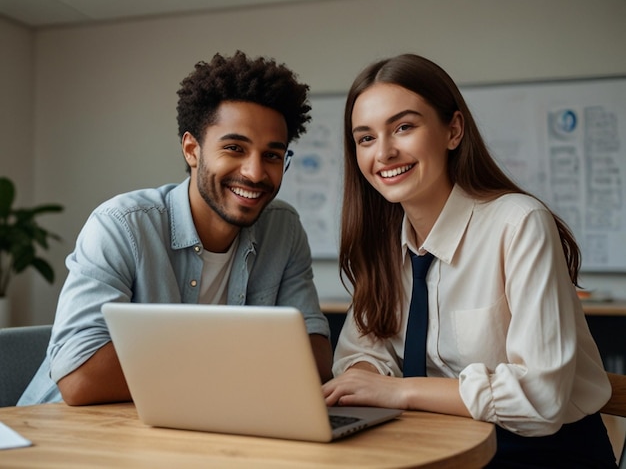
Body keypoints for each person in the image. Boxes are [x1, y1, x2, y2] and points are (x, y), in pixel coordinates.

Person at [322, 54, 617, 468]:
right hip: (436, 443)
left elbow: (541, 398)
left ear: (453, 130)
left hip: (544, 454)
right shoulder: (383, 245)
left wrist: (401, 391)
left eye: (403, 127)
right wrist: (369, 373)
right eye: (365, 138)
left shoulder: (519, 223)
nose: (384, 152)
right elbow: (357, 357)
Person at [20, 50, 333, 406]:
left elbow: (316, 361)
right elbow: (81, 377)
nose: (255, 172)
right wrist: (244, 364)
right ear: (191, 150)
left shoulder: (283, 229)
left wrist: (184, 366)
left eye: (273, 155)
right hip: (66, 436)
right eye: (234, 148)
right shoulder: (121, 226)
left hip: (186, 429)